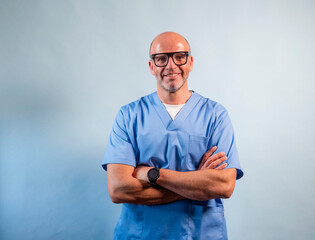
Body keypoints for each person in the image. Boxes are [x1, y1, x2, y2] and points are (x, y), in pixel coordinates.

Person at [102, 32, 243, 240]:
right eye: (161, 59)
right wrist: (197, 183)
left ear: (190, 62)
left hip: (200, 233)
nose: (171, 65)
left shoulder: (215, 115)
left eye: (179, 56)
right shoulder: (129, 116)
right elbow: (118, 190)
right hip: (141, 234)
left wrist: (154, 174)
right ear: (151, 66)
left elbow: (224, 185)